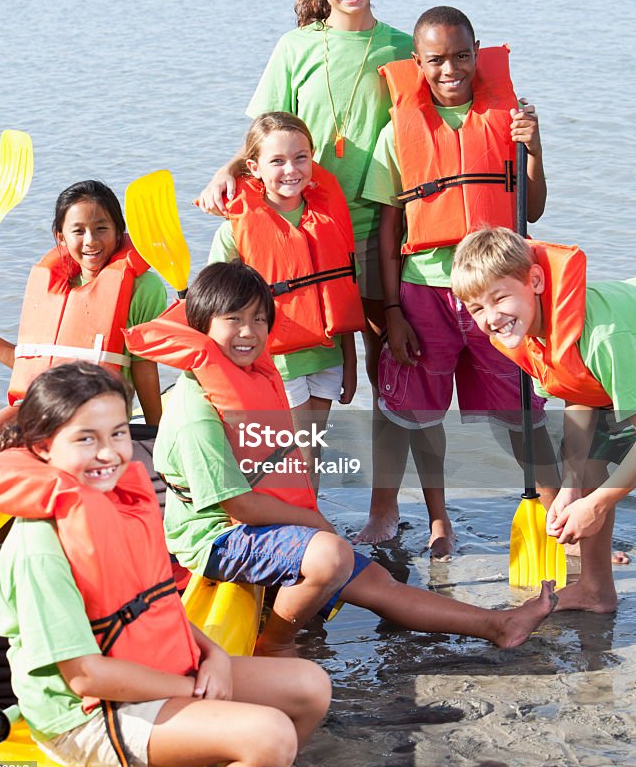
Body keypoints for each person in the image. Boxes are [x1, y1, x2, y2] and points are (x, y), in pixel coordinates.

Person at [126, 261, 558, 659]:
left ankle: (497, 625)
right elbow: (237, 506)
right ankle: (274, 645)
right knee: (332, 555)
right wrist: (316, 525)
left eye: (259, 319)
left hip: (261, 523)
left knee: (376, 582)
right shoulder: (194, 412)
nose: (249, 331)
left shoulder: (249, 379)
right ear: (200, 327)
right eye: (233, 319)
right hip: (213, 540)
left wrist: (308, 525)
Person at [0, 363, 331, 767]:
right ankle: (251, 759)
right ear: (42, 448)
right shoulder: (39, 548)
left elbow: (155, 605)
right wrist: (189, 690)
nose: (108, 453)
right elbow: (85, 676)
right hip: (83, 716)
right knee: (269, 736)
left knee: (309, 685)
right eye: (85, 439)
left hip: (144, 671)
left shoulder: (118, 506)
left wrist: (215, 656)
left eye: (117, 433)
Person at [196, 0, 415, 491]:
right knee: (295, 367)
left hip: (380, 231)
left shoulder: (402, 47)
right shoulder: (295, 47)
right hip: (301, 230)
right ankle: (286, 491)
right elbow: (263, 137)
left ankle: (383, 505)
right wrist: (227, 170)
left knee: (384, 370)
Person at [360, 5, 557, 554]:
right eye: (437, 59)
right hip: (425, 293)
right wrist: (393, 311)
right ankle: (438, 521)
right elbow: (387, 229)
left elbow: (533, 210)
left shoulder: (510, 121)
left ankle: (558, 517)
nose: (452, 69)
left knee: (522, 408)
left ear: (477, 53)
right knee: (419, 413)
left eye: (463, 55)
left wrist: (535, 149)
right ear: (418, 63)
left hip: (496, 292)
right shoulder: (397, 134)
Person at [451, 226, 636, 613]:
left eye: (500, 298)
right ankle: (596, 590)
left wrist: (597, 505)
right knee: (587, 463)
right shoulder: (529, 330)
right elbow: (580, 393)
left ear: (534, 280)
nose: (492, 318)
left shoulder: (603, 337)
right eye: (477, 309)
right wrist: (571, 488)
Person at [0, 179, 166, 477]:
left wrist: (158, 435)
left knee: (43, 466)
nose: (91, 240)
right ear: (61, 237)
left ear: (120, 233)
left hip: (96, 419)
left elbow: (145, 366)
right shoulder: (51, 285)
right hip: (40, 410)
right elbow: (32, 365)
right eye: (78, 231)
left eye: (101, 228)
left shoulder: (143, 287)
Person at [207, 112, 365, 488]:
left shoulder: (329, 216)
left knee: (311, 450)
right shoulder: (235, 229)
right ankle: (300, 523)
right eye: (276, 161)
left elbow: (343, 288)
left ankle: (306, 518)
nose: (290, 169)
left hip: (326, 355)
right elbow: (214, 306)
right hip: (275, 359)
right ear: (254, 168)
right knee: (293, 452)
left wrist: (351, 361)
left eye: (300, 158)